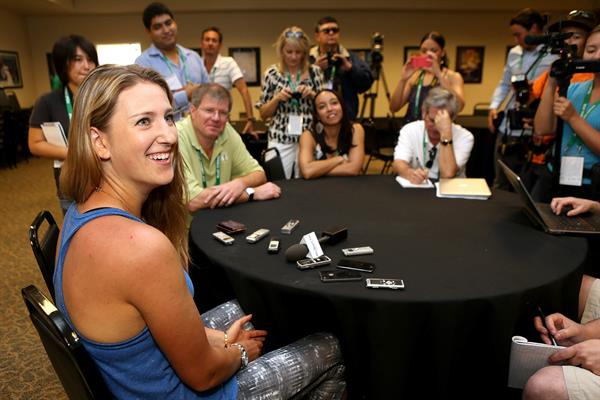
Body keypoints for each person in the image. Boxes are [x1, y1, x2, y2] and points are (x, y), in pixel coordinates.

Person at [57, 64, 346, 399]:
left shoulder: (77, 214)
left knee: (262, 309)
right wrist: (237, 353)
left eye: (167, 117)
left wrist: (219, 341)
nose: (167, 134)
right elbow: (204, 375)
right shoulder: (141, 246)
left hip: (134, 377)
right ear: (100, 142)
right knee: (330, 345)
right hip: (185, 392)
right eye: (143, 121)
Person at [523, 10, 597, 202]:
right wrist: (552, 82)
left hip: (591, 186)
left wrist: (573, 118)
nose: (596, 56)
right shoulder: (574, 88)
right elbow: (543, 128)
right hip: (554, 176)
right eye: (591, 50)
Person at [177, 83, 281, 212]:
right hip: (185, 228)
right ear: (192, 110)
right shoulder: (177, 137)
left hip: (220, 219)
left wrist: (240, 183)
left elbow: (259, 174)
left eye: (222, 113)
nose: (216, 118)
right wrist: (251, 193)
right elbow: (192, 200)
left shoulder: (226, 131)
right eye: (209, 110)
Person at [488, 8, 557, 189]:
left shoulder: (553, 54)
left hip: (534, 127)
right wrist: (493, 107)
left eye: (518, 34)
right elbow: (504, 84)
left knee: (526, 183)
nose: (516, 40)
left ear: (534, 28)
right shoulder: (514, 53)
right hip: (509, 125)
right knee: (501, 180)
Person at [28, 34, 98, 214]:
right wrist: (75, 154)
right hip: (71, 181)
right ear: (63, 64)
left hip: (108, 178)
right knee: (78, 233)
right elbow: (35, 144)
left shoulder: (103, 96)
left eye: (90, 59)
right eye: (77, 59)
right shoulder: (48, 101)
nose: (86, 66)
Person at [256, 26, 323, 179]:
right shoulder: (272, 74)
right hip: (280, 138)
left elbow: (326, 107)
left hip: (308, 137)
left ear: (305, 53)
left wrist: (312, 95)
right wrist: (277, 99)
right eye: (289, 52)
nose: (293, 57)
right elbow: (263, 114)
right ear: (281, 51)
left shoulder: (315, 73)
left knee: (308, 182)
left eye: (298, 52)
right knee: (279, 181)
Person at [135, 2, 209, 119]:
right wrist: (186, 95)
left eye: (168, 23)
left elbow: (209, 92)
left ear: (175, 23)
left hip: (200, 131)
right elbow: (149, 106)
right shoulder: (143, 64)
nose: (166, 30)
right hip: (169, 133)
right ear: (148, 31)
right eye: (157, 27)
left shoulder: (193, 57)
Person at [393, 87, 474, 184]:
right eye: (432, 120)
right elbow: (398, 164)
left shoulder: (465, 137)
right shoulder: (409, 130)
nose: (436, 127)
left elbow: (447, 174)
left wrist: (445, 133)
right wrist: (410, 173)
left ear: (452, 119)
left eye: (442, 121)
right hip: (421, 189)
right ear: (423, 113)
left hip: (452, 192)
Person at [389, 31, 464, 123]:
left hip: (437, 129)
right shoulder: (415, 76)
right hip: (413, 129)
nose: (428, 54)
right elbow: (393, 108)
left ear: (443, 53)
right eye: (424, 51)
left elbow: (459, 107)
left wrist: (439, 75)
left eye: (433, 50)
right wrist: (403, 79)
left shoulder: (453, 76)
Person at [308, 16, 373, 120]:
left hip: (345, 118)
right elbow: (297, 84)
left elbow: (366, 85)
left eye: (335, 30)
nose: (331, 33)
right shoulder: (307, 59)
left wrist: (351, 69)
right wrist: (314, 69)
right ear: (317, 36)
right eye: (326, 31)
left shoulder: (350, 57)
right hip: (314, 117)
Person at [200, 26, 258, 136]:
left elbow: (244, 90)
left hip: (221, 122)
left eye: (214, 40)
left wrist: (250, 119)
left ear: (220, 45)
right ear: (202, 43)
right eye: (207, 39)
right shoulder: (196, 64)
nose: (210, 43)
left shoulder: (228, 63)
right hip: (199, 124)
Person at [298, 89, 364, 179]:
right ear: (317, 115)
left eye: (334, 103)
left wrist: (316, 171)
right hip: (317, 189)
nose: (329, 109)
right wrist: (339, 159)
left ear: (342, 106)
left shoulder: (355, 129)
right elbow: (306, 171)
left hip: (349, 188)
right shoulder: (308, 135)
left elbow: (353, 169)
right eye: (322, 107)